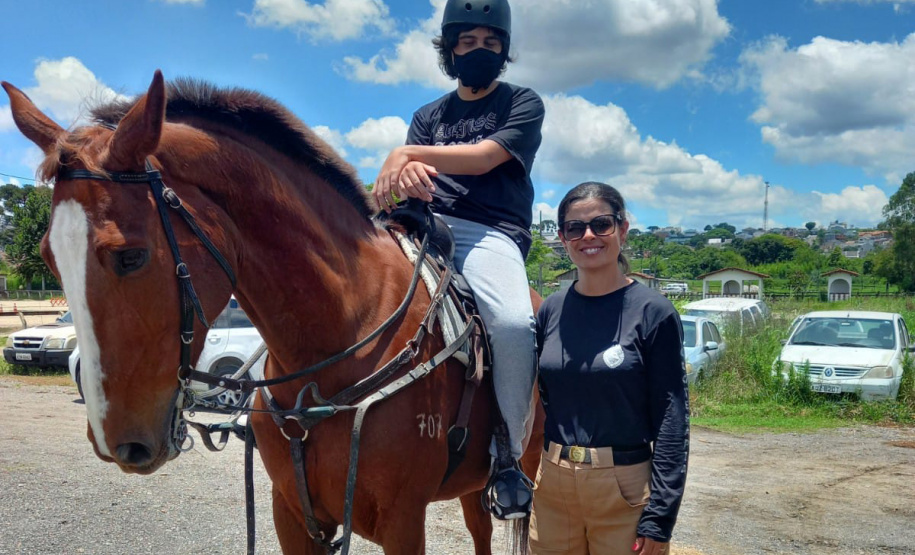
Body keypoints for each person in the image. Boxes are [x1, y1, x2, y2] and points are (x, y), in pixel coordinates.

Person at [372, 0, 544, 520]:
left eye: (491, 43)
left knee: (514, 324)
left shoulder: (522, 103)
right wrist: (404, 177)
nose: (479, 51)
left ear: (504, 50)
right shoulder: (428, 115)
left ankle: (508, 457)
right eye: (467, 42)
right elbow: (411, 179)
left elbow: (488, 156)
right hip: (420, 223)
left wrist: (407, 155)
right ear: (450, 50)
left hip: (487, 233)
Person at [530, 182, 689, 554]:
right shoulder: (551, 310)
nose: (588, 236)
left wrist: (661, 515)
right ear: (563, 237)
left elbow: (672, 418)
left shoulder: (653, 313)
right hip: (553, 482)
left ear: (622, 228)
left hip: (624, 487)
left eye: (601, 224)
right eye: (574, 227)